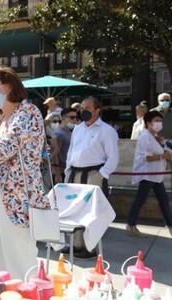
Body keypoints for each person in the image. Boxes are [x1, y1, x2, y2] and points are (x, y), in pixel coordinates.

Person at [0, 67, 50, 279]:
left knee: (19, 259)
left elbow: (2, 150)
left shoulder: (28, 112)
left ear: (8, 86)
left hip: (16, 197)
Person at [65, 96, 119, 259]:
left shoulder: (106, 131)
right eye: (82, 108)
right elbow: (71, 151)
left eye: (87, 109)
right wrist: (68, 170)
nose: (83, 112)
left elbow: (113, 157)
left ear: (97, 111)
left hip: (94, 174)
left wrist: (101, 174)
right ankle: (76, 245)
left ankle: (90, 247)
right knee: (75, 210)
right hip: (76, 173)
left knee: (91, 212)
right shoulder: (78, 128)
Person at [127, 111, 172, 237]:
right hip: (148, 174)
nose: (159, 123)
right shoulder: (145, 136)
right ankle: (131, 225)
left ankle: (170, 225)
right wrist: (163, 156)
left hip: (156, 174)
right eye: (156, 120)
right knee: (141, 199)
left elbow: (156, 151)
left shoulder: (154, 136)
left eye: (160, 121)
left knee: (163, 200)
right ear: (148, 123)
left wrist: (161, 145)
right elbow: (146, 157)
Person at [55, 108, 78, 179]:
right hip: (62, 172)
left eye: (76, 117)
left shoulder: (71, 133)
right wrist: (57, 175)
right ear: (63, 118)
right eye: (72, 117)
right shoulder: (59, 134)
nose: (74, 120)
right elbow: (55, 155)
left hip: (70, 170)